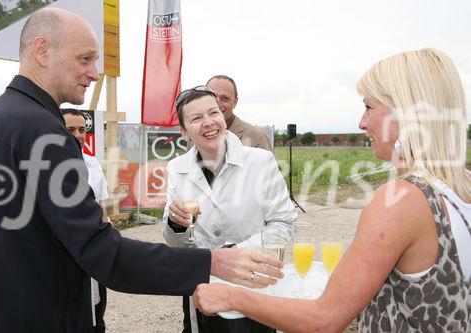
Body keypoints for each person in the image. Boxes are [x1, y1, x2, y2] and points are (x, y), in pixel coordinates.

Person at [0, 8, 284, 333]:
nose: (94, 73)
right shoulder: (41, 130)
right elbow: (102, 251)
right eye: (85, 59)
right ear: (42, 50)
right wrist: (212, 261)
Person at [194, 48, 471, 332]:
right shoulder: (461, 185)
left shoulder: (402, 201)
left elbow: (323, 320)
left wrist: (231, 296)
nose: (361, 123)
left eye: (369, 107)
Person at [163, 85, 297, 333]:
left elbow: (284, 224)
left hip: (253, 282)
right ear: (184, 132)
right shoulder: (177, 168)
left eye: (213, 113)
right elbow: (176, 244)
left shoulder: (260, 162)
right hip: (203, 286)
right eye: (196, 118)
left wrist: (236, 253)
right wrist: (176, 225)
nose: (208, 122)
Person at [62, 108, 109, 333]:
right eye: (70, 129)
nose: (77, 135)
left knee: (96, 316)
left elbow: (103, 210)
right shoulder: (43, 167)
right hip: (63, 258)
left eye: (82, 129)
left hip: (93, 254)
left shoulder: (93, 164)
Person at [206, 75, 272, 151]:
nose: (216, 103)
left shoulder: (256, 138)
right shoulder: (195, 136)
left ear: (235, 102)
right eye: (211, 96)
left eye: (225, 98)